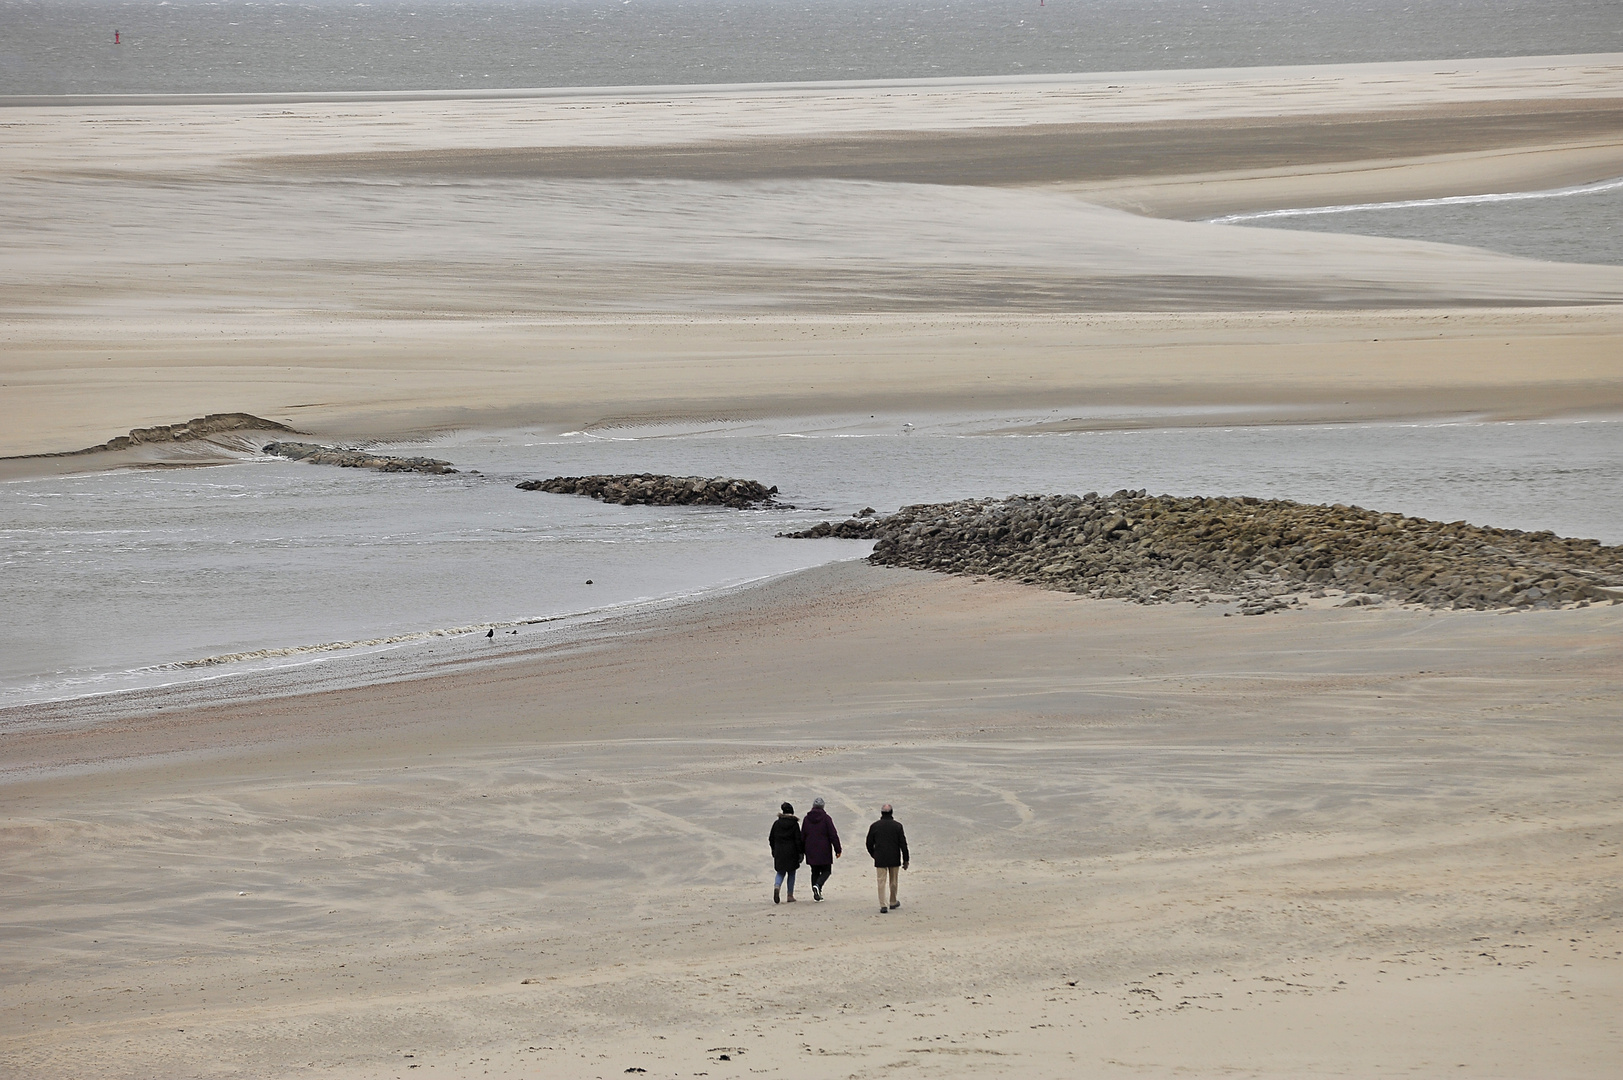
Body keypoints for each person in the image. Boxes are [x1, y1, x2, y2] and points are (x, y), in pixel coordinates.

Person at [865, 803, 909, 913]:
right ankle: (893, 901)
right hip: (894, 857)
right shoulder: (897, 826)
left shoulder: (875, 826)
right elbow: (903, 844)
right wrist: (906, 859)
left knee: (881, 882)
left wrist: (874, 854)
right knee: (893, 882)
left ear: (881, 813)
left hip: (880, 857)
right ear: (891, 813)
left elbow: (869, 843)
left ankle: (883, 905)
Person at [801, 797, 842, 902]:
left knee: (814, 871)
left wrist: (801, 850)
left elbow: (803, 835)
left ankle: (816, 892)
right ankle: (818, 886)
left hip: (810, 848)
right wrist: (838, 849)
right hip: (824, 849)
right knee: (826, 870)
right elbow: (833, 834)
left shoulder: (806, 818)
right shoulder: (826, 818)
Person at [768, 801, 804, 904]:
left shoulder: (776, 824)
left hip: (779, 851)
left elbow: (771, 838)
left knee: (780, 872)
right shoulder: (794, 824)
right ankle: (790, 895)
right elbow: (798, 840)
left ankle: (777, 886)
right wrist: (800, 853)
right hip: (792, 852)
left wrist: (773, 849)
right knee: (791, 873)